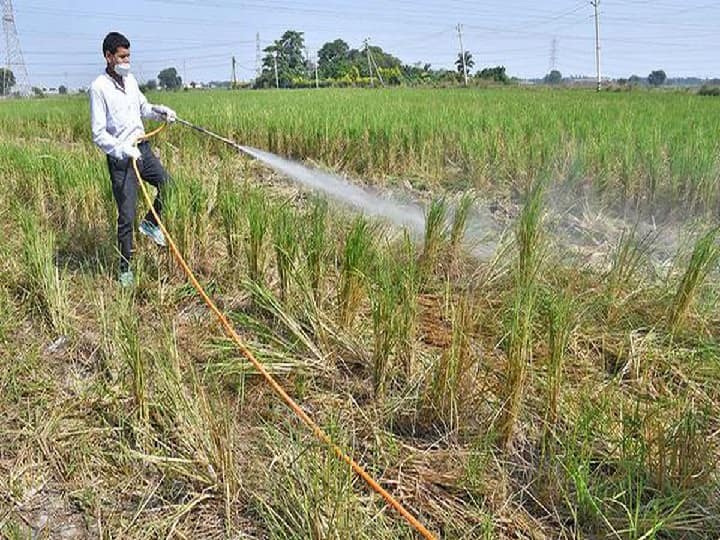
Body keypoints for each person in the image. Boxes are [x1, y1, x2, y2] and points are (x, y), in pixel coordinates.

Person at [89, 31, 177, 287]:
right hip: (122, 159)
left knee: (169, 185)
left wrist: (161, 112)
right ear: (108, 56)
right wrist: (121, 149)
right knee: (126, 216)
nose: (127, 60)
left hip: (143, 150)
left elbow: (143, 108)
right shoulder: (98, 88)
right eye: (122, 56)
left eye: (129, 55)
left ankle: (150, 223)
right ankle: (125, 269)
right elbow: (98, 133)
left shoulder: (131, 81)